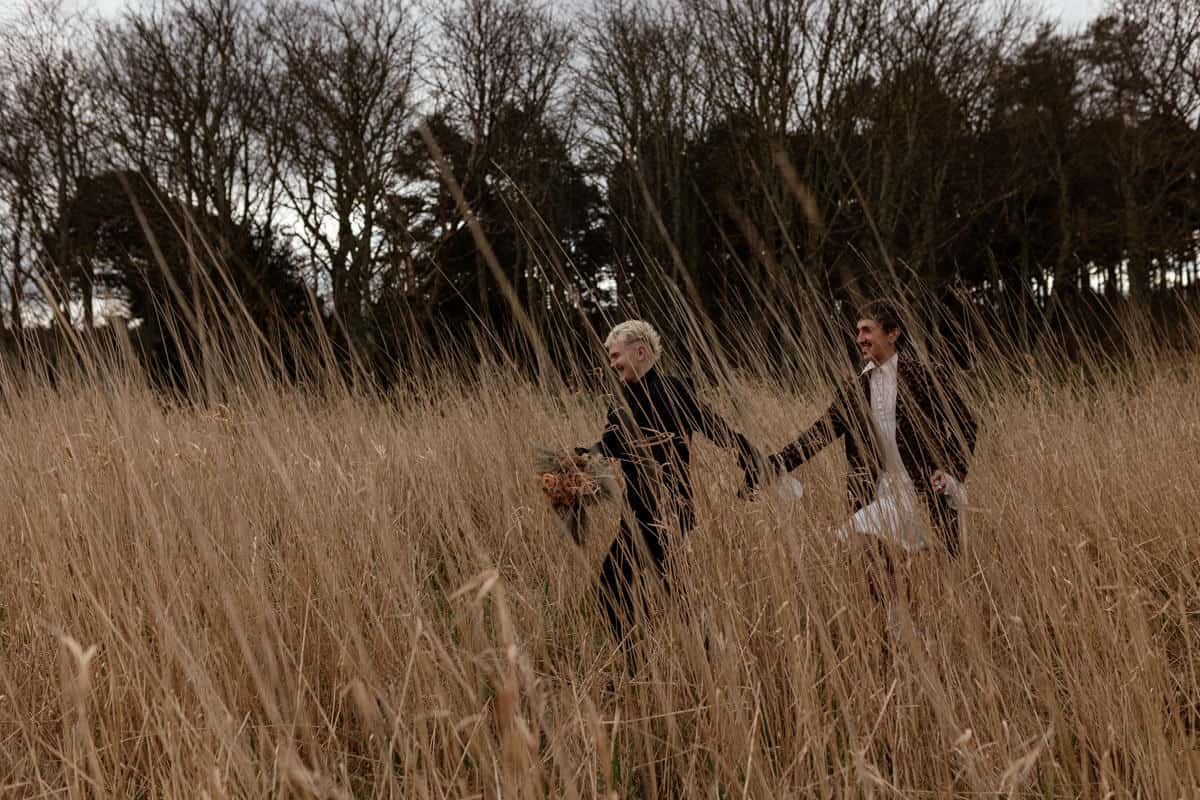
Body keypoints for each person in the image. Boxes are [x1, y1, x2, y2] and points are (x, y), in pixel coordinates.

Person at [577, 320, 763, 646]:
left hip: (668, 508)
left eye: (616, 355)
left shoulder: (671, 390)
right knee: (676, 594)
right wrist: (582, 458)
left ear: (640, 352)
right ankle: (711, 652)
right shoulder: (620, 397)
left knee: (612, 585)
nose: (612, 364)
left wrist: (746, 453)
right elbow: (611, 444)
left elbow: (710, 424)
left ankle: (641, 664)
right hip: (636, 507)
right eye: (609, 358)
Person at [755, 300, 977, 560]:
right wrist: (775, 464)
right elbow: (819, 433)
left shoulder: (924, 375)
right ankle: (895, 601)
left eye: (867, 330)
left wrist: (949, 468)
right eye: (858, 331)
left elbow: (967, 425)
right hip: (879, 491)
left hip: (923, 491)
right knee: (868, 551)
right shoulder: (855, 389)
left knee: (884, 550)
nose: (860, 338)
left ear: (893, 334)